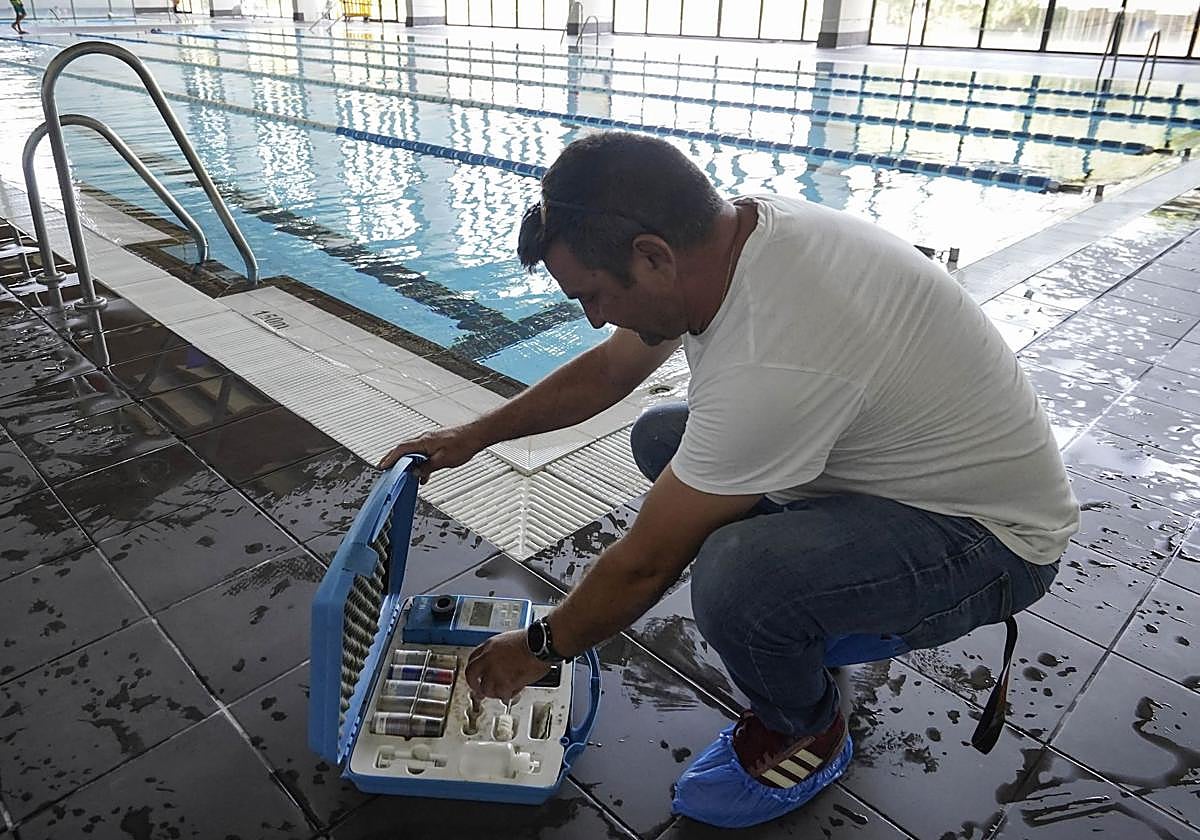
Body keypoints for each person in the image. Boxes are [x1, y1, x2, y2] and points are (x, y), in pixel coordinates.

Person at [378, 131, 1077, 828]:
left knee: (735, 582)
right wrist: (472, 436)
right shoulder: (729, 240)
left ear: (651, 257)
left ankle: (807, 728)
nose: (593, 317)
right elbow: (610, 371)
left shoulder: (777, 354)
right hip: (898, 475)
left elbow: (647, 562)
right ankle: (813, 611)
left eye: (592, 295)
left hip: (991, 541)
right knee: (661, 435)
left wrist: (538, 648)